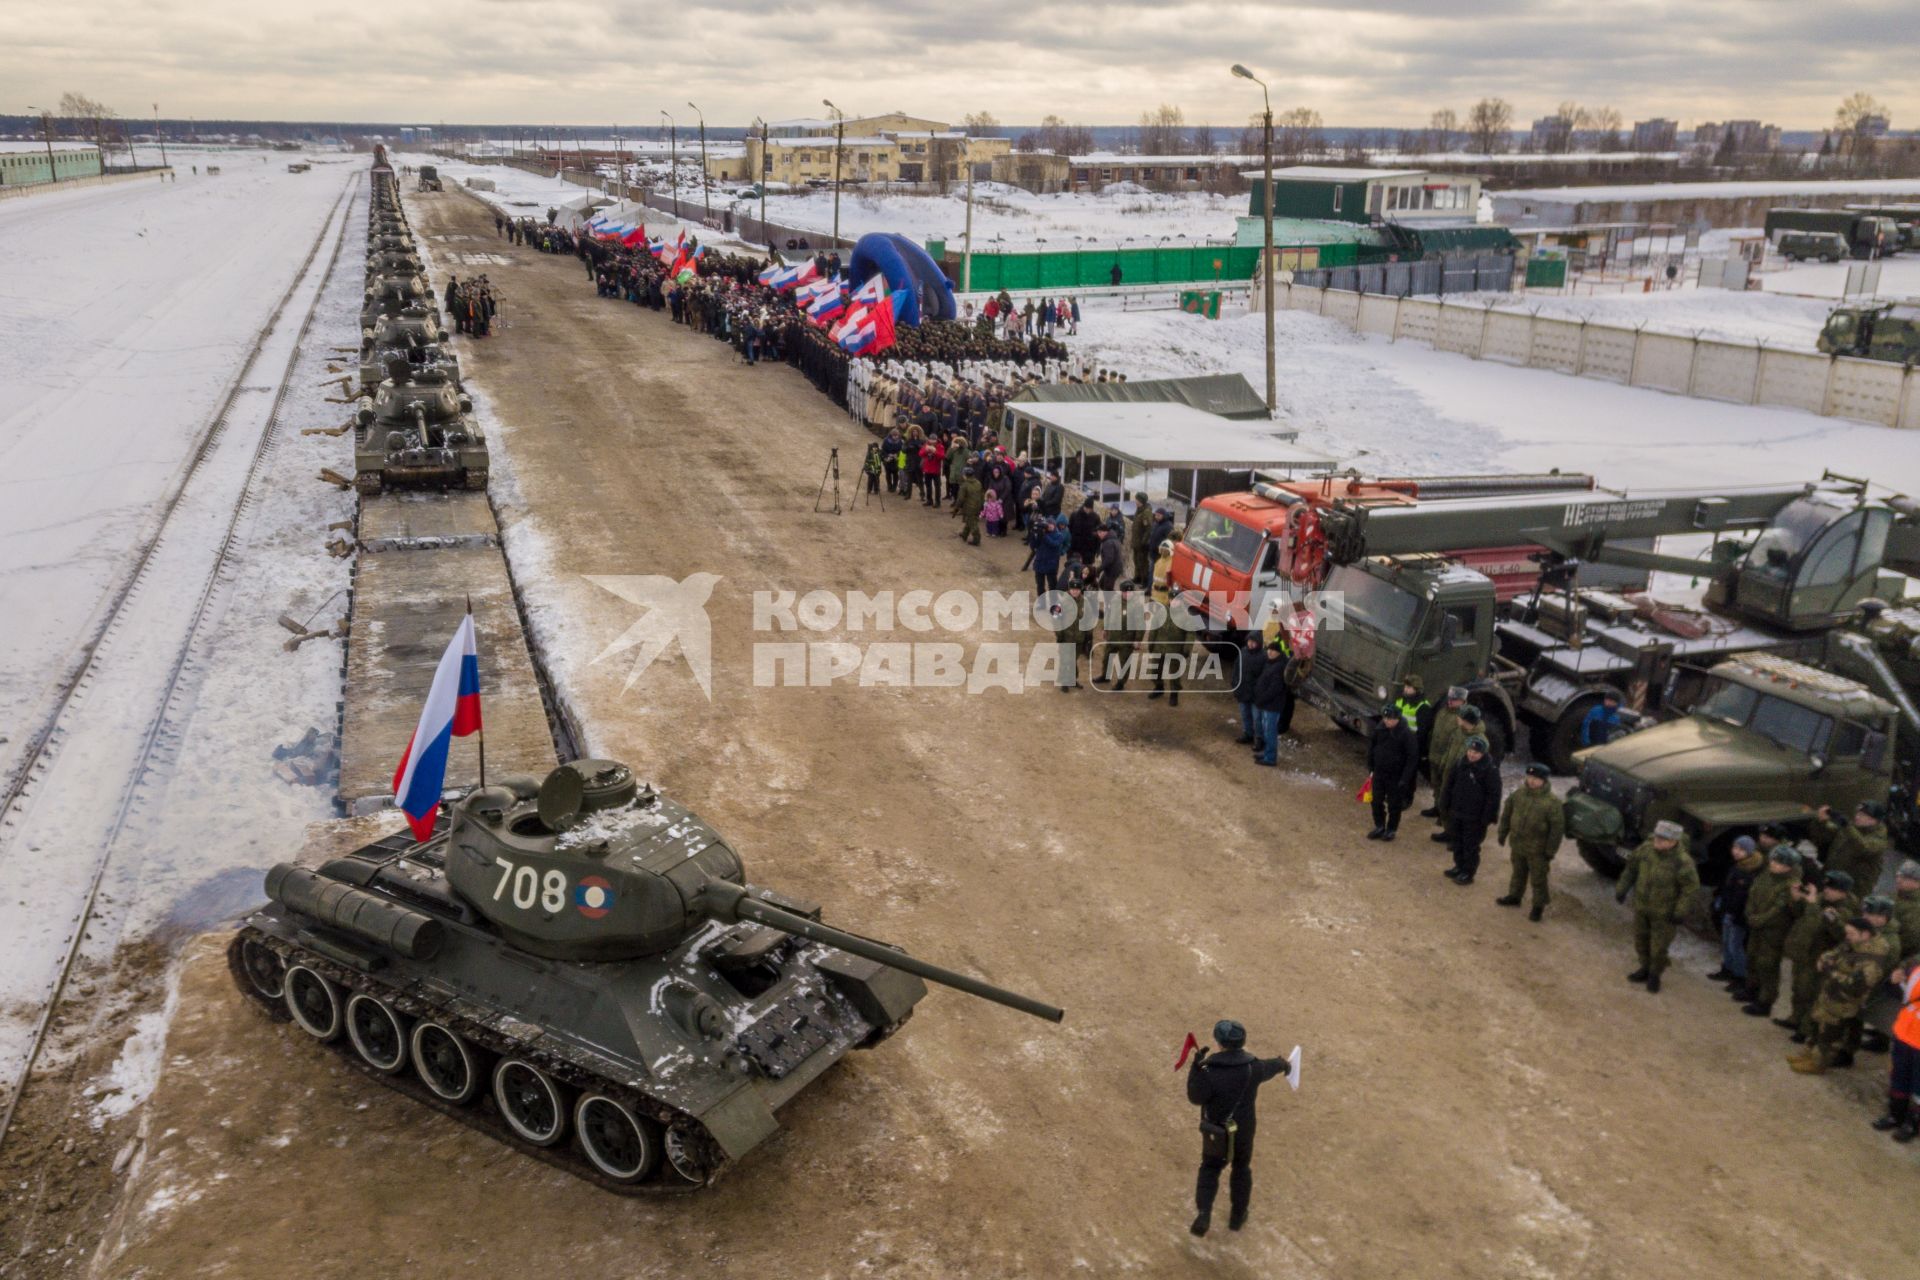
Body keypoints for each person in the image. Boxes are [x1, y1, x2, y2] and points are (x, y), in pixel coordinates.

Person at [1185, 1019, 1290, 1237]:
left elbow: (1195, 1097)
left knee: (1210, 1169)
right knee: (1242, 1169)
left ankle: (1204, 1213)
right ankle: (1237, 1216)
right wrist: (1284, 1064)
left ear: (1219, 1043)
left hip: (1217, 1131)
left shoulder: (1209, 1071)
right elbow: (1271, 1067)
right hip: (1243, 1131)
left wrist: (1195, 1068)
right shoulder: (1253, 1067)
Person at [1789, 917, 1884, 1075]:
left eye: (1852, 934)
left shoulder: (1872, 960)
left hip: (1844, 1002)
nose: (1848, 937)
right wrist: (1824, 958)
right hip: (1831, 994)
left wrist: (1831, 971)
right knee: (1818, 1026)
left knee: (1829, 1034)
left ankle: (1818, 1064)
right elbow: (1835, 951)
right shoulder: (1853, 943)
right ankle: (1808, 1055)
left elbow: (1856, 986)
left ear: (1865, 935)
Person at [1616, 820, 1700, 993]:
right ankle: (1644, 968)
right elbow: (1631, 869)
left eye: (1662, 839)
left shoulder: (1682, 862)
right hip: (1642, 907)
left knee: (1659, 948)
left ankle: (1655, 975)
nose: (1657, 842)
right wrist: (1622, 888)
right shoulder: (1646, 850)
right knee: (1641, 941)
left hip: (1665, 913)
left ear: (1673, 841)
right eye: (1657, 837)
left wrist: (1680, 911)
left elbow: (1690, 889)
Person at [1779, 870, 1858, 1040]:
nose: (1827, 890)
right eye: (1827, 886)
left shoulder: (1844, 911)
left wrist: (1813, 904)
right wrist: (1796, 898)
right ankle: (1795, 1018)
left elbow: (1826, 925)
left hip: (1819, 956)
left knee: (1811, 994)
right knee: (1798, 989)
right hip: (1804, 952)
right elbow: (1800, 914)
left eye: (1832, 888)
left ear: (1843, 892)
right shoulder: (1821, 898)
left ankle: (1806, 1029)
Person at [1739, 844, 1804, 1016]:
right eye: (1773, 860)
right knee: (1752, 957)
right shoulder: (1766, 875)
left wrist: (1759, 919)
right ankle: (1751, 990)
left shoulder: (1792, 885)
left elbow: (1780, 909)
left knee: (1767, 966)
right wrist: (1750, 913)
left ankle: (1765, 1002)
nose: (1774, 864)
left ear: (1789, 867)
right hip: (1756, 926)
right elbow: (1753, 894)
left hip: (1774, 932)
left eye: (1779, 863)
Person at [1495, 762, 1564, 920]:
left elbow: (1556, 830)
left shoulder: (1552, 803)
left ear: (1544, 781)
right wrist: (1502, 833)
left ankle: (1538, 906)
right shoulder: (1519, 795)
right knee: (1518, 873)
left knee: (1538, 878)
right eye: (1530, 777)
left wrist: (1550, 851)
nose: (1532, 781)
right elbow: (1507, 814)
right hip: (1518, 845)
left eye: (1536, 779)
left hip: (1538, 850)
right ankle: (1514, 896)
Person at [1871, 957, 1920, 1142]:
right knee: (1899, 1076)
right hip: (1904, 1035)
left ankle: (1912, 1123)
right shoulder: (1916, 970)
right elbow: (1901, 994)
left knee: (1919, 1086)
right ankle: (1895, 1115)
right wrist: (1894, 981)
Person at [1441, 734, 1499, 885]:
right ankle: (1459, 866)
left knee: (1470, 846)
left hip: (1475, 817)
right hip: (1457, 811)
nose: (1472, 754)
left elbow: (1493, 796)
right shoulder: (1460, 763)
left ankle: (1468, 872)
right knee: (1457, 841)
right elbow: (1449, 784)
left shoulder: (1490, 770)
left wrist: (1486, 818)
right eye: (1470, 751)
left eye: (1476, 752)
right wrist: (1445, 804)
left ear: (1483, 753)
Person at [1709, 835, 1764, 986]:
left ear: (1749, 852)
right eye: (1735, 848)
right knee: (1727, 943)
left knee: (1735, 946)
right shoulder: (1737, 866)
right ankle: (1727, 969)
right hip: (1728, 912)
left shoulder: (1751, 871)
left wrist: (1739, 914)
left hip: (1739, 916)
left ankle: (1740, 976)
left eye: (1741, 849)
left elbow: (1746, 898)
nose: (1736, 852)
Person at [1810, 801, 1892, 896]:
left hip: (1853, 890)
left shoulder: (1879, 839)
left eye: (1862, 815)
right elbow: (1824, 835)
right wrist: (1821, 821)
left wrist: (1847, 826)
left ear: (1873, 820)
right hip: (1832, 880)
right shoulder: (1852, 828)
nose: (1857, 817)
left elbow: (1864, 847)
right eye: (1857, 813)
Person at [1365, 703, 1419, 842]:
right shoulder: (1380, 729)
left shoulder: (1406, 735)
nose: (1387, 721)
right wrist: (1371, 766)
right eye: (1385, 718)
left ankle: (1391, 829)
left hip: (1396, 776)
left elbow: (1412, 758)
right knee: (1376, 801)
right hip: (1379, 773)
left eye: (1390, 718)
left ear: (1397, 719)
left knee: (1394, 805)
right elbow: (1372, 747)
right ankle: (1379, 826)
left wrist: (1405, 779)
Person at [1421, 688, 1468, 824]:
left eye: (1455, 699)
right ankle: (1437, 808)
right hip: (1434, 755)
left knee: (1446, 789)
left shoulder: (1463, 719)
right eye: (1450, 698)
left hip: (1448, 760)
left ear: (1463, 701)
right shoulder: (1442, 712)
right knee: (1436, 784)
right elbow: (1433, 733)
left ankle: (1445, 815)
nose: (1451, 701)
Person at [1251, 639, 1291, 766]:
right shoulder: (1271, 663)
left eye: (1273, 650)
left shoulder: (1279, 667)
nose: (1269, 652)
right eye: (1268, 649)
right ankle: (1267, 753)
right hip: (1266, 704)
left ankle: (1270, 758)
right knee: (1267, 730)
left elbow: (1275, 689)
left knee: (1270, 732)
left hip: (1272, 705)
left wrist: (1261, 698)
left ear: (1278, 652)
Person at [1232, 632, 1267, 746]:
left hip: (1256, 695)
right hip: (1243, 691)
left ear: (1259, 643)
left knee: (1257, 718)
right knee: (1245, 714)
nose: (1251, 644)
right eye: (1249, 641)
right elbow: (1236, 670)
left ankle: (1260, 738)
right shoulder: (1242, 652)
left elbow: (1265, 677)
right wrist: (1235, 684)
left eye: (1254, 642)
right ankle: (1248, 734)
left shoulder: (1263, 657)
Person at [1028, 517, 1069, 598]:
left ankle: (1053, 604)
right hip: (1040, 564)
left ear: (1054, 525)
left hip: (1051, 565)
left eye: (1051, 524)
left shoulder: (1059, 535)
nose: (1049, 526)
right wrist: (1033, 534)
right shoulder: (1041, 534)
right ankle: (1041, 603)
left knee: (1052, 587)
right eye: (1048, 524)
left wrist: (1044, 536)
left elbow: (1054, 544)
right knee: (1040, 586)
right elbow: (1033, 546)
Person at [1126, 493, 1154, 588]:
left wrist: (1144, 541)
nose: (1136, 501)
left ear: (1141, 501)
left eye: (1137, 500)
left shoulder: (1146, 512)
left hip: (1142, 543)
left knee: (1143, 562)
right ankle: (1137, 577)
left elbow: (1148, 528)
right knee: (1136, 560)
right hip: (1136, 541)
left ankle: (1144, 581)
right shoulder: (1139, 510)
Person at [955, 472, 985, 546]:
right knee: (970, 520)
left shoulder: (964, 485)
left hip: (969, 507)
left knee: (972, 522)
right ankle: (964, 534)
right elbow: (982, 494)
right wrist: (982, 504)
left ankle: (976, 539)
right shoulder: (978, 483)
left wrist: (957, 507)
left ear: (965, 476)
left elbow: (960, 499)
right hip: (978, 505)